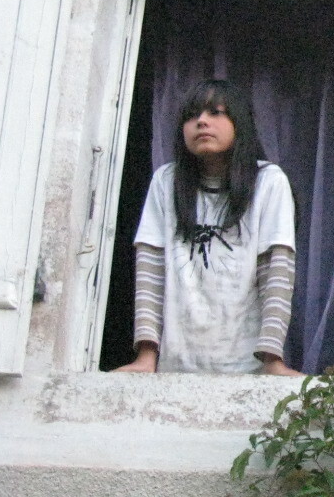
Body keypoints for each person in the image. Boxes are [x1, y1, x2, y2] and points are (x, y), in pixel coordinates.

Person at [115, 80, 300, 375]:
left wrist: (272, 362)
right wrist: (146, 357)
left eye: (215, 112)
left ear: (239, 123)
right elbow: (151, 269)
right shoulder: (166, 181)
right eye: (192, 116)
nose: (201, 121)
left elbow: (276, 270)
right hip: (174, 367)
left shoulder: (269, 181)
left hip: (246, 367)